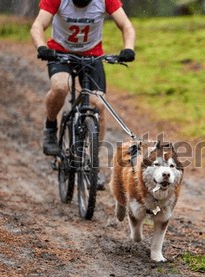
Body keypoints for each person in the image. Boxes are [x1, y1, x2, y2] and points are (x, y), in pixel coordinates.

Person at [30, 0, 136, 189]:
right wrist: (41, 47)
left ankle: (92, 166)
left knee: (99, 105)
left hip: (92, 56)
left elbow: (125, 25)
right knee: (61, 87)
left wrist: (128, 48)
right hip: (60, 54)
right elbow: (38, 25)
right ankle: (50, 125)